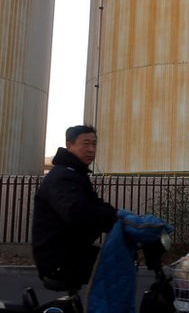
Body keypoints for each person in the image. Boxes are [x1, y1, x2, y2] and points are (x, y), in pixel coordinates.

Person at [32, 124, 118, 289]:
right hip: (59, 260)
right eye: (86, 143)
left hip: (71, 252)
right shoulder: (62, 177)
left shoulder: (75, 174)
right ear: (69, 145)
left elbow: (95, 205)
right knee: (118, 265)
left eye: (94, 144)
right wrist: (113, 219)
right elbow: (76, 211)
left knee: (120, 259)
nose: (91, 149)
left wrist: (123, 217)